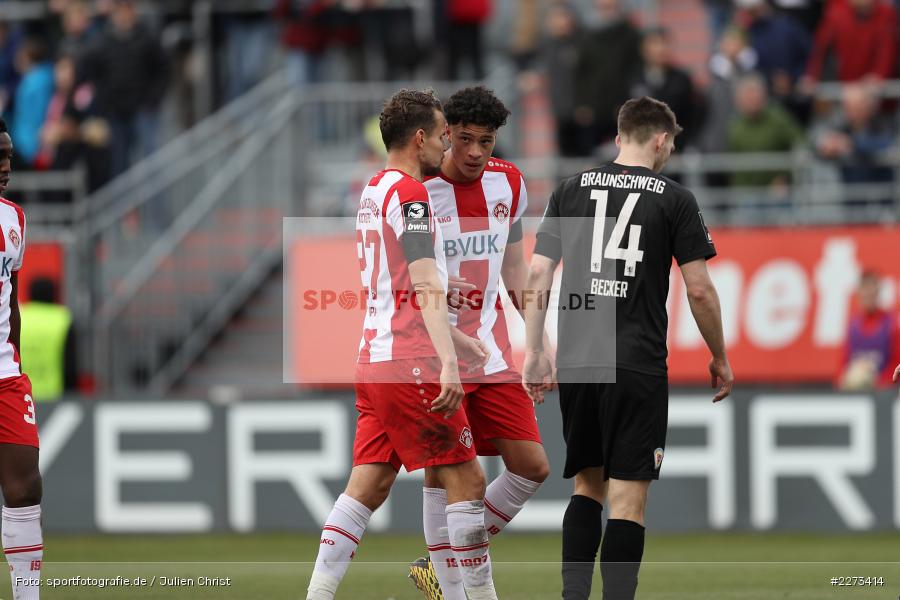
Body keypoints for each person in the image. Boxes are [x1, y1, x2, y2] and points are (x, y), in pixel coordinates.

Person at [522, 97, 733, 600]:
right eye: (672, 143)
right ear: (660, 139)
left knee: (586, 487)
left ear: (620, 137)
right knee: (628, 499)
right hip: (635, 358)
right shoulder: (673, 198)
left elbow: (537, 273)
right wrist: (720, 355)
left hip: (578, 356)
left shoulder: (569, 190)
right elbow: (699, 289)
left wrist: (535, 348)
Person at [306, 89, 499, 600]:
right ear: (420, 138)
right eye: (441, 136)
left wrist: (452, 332)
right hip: (410, 361)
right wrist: (450, 363)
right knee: (468, 483)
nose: (446, 147)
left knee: (368, 486)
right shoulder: (412, 195)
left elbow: (400, 288)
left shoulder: (372, 189)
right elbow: (423, 283)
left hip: (374, 359)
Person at [410, 86, 550, 599]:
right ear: (446, 135)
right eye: (464, 139)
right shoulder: (418, 190)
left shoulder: (509, 183)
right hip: (435, 352)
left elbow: (514, 269)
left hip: (491, 354)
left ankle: (436, 562)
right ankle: (451, 585)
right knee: (443, 474)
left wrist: (536, 342)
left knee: (532, 466)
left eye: (485, 142)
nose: (473, 152)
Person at [0, 117, 45, 600]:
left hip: (5, 378)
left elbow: (10, 299)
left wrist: (15, 362)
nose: (7, 166)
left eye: (9, 155)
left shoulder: (13, 219)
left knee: (25, 488)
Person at [836, 271, 899, 390]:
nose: (868, 298)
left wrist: (878, 382)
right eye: (864, 294)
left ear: (877, 293)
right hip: (857, 393)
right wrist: (844, 380)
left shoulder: (891, 323)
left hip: (884, 393)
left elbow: (897, 363)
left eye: (871, 293)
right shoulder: (853, 326)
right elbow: (843, 363)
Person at [19, 277, 76, 401]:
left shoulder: (19, 316)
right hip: (53, 395)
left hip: (21, 394)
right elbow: (70, 364)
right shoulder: (63, 318)